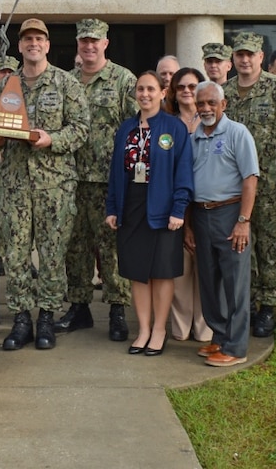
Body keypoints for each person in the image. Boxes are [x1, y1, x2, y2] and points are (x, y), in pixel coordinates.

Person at [0, 18, 89, 351]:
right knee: (16, 255)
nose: (33, 43)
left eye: (39, 39)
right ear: (19, 46)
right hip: (16, 186)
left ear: (47, 45)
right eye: (27, 39)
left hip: (54, 187)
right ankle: (21, 321)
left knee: (51, 255)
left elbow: (81, 129)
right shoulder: (7, 86)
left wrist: (52, 139)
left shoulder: (66, 84)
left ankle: (46, 317)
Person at [55, 18, 136, 342]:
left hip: (108, 181)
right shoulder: (65, 81)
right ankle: (79, 307)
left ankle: (117, 309)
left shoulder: (122, 80)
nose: (89, 46)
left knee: (111, 248)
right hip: (72, 179)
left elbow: (135, 129)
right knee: (75, 248)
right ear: (78, 44)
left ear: (105, 43)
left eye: (95, 41)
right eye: (84, 40)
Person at [223, 31, 276, 337]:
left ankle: (269, 307)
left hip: (270, 186)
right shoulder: (226, 91)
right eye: (239, 54)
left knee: (269, 246)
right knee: (242, 247)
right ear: (234, 58)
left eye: (250, 54)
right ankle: (249, 303)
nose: (244, 60)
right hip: (234, 186)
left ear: (261, 58)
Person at [105, 72, 192, 355]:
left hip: (163, 207)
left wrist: (179, 208)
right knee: (138, 273)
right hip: (131, 205)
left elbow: (183, 171)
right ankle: (142, 329)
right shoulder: (126, 128)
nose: (145, 94)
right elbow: (115, 173)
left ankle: (159, 330)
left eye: (151, 89)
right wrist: (113, 208)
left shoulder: (174, 127)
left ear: (162, 93)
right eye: (140, 89)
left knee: (162, 272)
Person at [185, 80, 259, 367]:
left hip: (230, 215)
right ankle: (219, 336)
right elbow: (189, 184)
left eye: (211, 103)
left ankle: (236, 347)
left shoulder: (238, 133)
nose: (205, 108)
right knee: (209, 282)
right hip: (201, 216)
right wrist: (189, 225)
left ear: (223, 105)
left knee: (235, 284)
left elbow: (250, 179)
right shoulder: (194, 138)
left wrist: (243, 221)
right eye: (200, 103)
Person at [164, 67, 212, 343]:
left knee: (205, 267)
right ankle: (181, 327)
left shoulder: (211, 120)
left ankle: (205, 328)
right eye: (181, 86)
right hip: (176, 204)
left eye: (192, 86)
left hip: (206, 202)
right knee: (180, 270)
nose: (186, 91)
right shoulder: (166, 122)